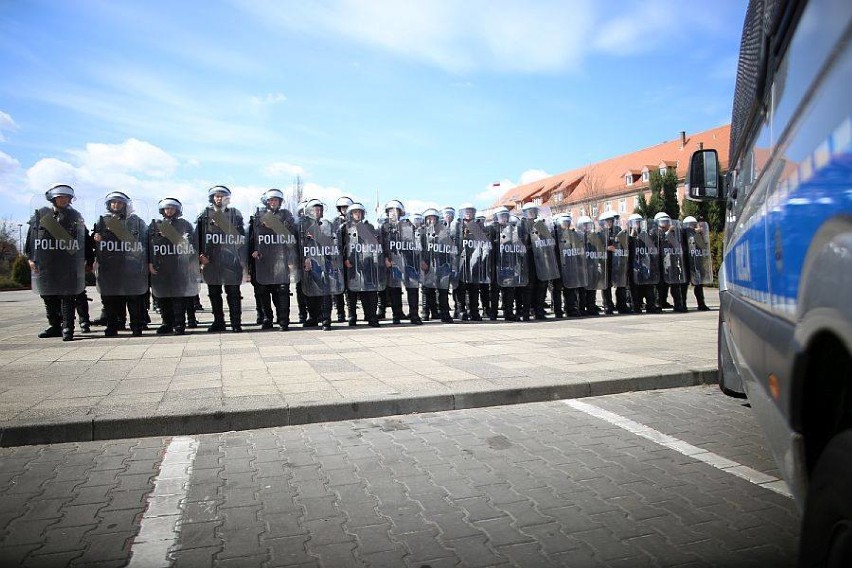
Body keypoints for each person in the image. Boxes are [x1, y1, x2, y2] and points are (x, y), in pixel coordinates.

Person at [26, 184, 93, 341]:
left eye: (67, 197)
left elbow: (85, 240)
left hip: (67, 263)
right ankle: (55, 325)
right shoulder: (41, 214)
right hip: (46, 263)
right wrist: (30, 258)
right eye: (60, 197)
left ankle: (68, 328)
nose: (63, 200)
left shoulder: (75, 216)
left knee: (67, 296)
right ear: (53, 198)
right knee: (48, 295)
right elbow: (32, 238)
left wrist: (88, 260)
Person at [92, 191, 148, 337]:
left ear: (124, 205)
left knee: (132, 298)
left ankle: (136, 326)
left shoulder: (134, 220)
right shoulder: (102, 220)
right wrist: (95, 238)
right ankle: (112, 326)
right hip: (109, 266)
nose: (116, 205)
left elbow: (143, 241)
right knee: (110, 299)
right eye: (113, 202)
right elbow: (95, 242)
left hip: (130, 265)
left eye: (119, 202)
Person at [197, 185, 248, 332]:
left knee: (233, 292)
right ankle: (218, 321)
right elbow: (198, 236)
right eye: (216, 196)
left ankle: (236, 323)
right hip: (211, 260)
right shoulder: (205, 215)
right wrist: (200, 255)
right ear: (212, 198)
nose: (219, 198)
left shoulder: (234, 214)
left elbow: (240, 237)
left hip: (230, 260)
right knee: (214, 292)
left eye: (222, 196)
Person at [249, 189, 299, 331]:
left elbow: (290, 238)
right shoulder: (258, 217)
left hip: (281, 260)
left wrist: (291, 260)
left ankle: (283, 321)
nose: (273, 202)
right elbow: (252, 238)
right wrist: (253, 251)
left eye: (276, 200)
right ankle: (267, 319)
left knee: (282, 291)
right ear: (267, 202)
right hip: (263, 261)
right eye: (271, 200)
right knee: (263, 290)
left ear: (280, 202)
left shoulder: (287, 216)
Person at [149, 198, 200, 335]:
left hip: (179, 266)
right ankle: (167, 323)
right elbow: (149, 245)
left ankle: (179, 324)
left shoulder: (185, 225)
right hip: (161, 266)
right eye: (167, 208)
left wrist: (190, 263)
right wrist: (150, 263)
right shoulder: (155, 225)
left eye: (172, 208)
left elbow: (191, 244)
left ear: (177, 210)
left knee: (178, 298)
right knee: (163, 297)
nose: (169, 210)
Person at [300, 199, 345, 330]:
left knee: (325, 292)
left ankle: (326, 320)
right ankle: (313, 318)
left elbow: (334, 243)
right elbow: (301, 245)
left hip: (326, 263)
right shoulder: (303, 226)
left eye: (320, 209)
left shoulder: (328, 225)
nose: (318, 212)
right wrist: (305, 259)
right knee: (311, 292)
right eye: (315, 209)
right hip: (310, 263)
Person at [381, 200, 423, 325]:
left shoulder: (408, 225)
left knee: (412, 287)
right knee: (394, 288)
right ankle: (396, 315)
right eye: (390, 211)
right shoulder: (384, 227)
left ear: (400, 212)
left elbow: (414, 242)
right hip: (392, 260)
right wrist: (385, 258)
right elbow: (382, 244)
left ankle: (414, 315)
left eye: (395, 211)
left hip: (409, 261)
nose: (393, 213)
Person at [342, 202, 382, 327]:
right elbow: (340, 245)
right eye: (355, 212)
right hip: (351, 263)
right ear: (350, 214)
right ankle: (352, 316)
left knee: (368, 290)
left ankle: (371, 316)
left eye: (359, 212)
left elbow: (374, 244)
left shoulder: (369, 227)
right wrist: (345, 258)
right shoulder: (345, 227)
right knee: (351, 292)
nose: (357, 214)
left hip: (367, 263)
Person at [520, 203, 560, 320]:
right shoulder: (520, 225)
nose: (531, 213)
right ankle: (526, 312)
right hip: (528, 260)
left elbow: (549, 241)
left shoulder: (541, 225)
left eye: (533, 211)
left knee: (541, 285)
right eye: (529, 211)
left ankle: (539, 310)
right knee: (529, 286)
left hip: (542, 259)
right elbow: (519, 242)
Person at [489, 206, 527, 321]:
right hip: (494, 264)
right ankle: (493, 313)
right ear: (496, 217)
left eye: (505, 216)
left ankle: (508, 312)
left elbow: (521, 248)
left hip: (508, 264)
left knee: (509, 289)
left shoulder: (512, 230)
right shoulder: (491, 229)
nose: (503, 218)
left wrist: (520, 246)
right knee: (495, 290)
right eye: (501, 216)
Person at [455, 203, 491, 321]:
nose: (468, 213)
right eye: (466, 211)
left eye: (470, 211)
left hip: (474, 262)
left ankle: (474, 311)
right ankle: (461, 310)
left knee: (474, 287)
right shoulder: (456, 226)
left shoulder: (476, 226)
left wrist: (484, 255)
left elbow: (485, 244)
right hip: (460, 261)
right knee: (461, 287)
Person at [420, 208, 457, 323]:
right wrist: (421, 261)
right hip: (427, 264)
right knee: (427, 290)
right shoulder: (422, 231)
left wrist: (450, 262)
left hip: (442, 265)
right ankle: (425, 312)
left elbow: (451, 248)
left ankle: (444, 313)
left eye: (433, 218)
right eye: (429, 218)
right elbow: (418, 248)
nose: (431, 220)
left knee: (443, 290)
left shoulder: (444, 232)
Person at [627, 213, 661, 314]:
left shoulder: (646, 236)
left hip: (645, 265)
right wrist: (631, 236)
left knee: (648, 287)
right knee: (634, 288)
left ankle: (651, 306)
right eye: (635, 223)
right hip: (633, 266)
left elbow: (653, 249)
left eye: (638, 223)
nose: (637, 225)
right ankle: (635, 307)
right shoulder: (628, 237)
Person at [553, 214, 585, 318]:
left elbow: (577, 249)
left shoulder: (573, 234)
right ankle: (558, 310)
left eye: (567, 222)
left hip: (570, 265)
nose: (565, 224)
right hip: (558, 265)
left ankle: (571, 308)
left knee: (570, 288)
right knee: (557, 289)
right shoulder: (554, 235)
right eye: (563, 223)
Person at [682, 216, 711, 311]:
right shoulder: (682, 233)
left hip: (696, 262)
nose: (692, 226)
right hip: (686, 262)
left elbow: (702, 247)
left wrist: (700, 235)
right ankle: (682, 304)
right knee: (684, 284)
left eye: (693, 224)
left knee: (698, 284)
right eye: (690, 224)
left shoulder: (697, 234)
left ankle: (701, 303)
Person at [333, 196, 354, 322]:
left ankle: (351, 313)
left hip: (351, 260)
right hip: (338, 259)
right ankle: (340, 313)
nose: (345, 209)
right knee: (338, 287)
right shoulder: (335, 222)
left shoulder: (356, 222)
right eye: (343, 207)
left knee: (351, 287)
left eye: (347, 207)